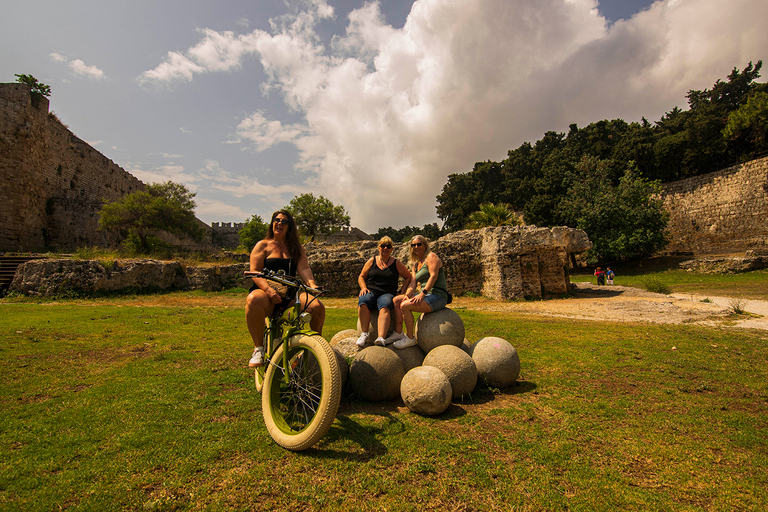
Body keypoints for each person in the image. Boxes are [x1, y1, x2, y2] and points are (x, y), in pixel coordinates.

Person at [245, 210, 325, 367]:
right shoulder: (263, 245)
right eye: (276, 219)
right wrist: (268, 290)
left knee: (317, 307)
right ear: (272, 223)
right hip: (266, 294)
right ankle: (258, 349)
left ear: (290, 226)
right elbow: (255, 272)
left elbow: (304, 269)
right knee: (253, 300)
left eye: (284, 221)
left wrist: (312, 285)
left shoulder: (296, 248)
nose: (279, 223)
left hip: (290, 294)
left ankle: (315, 350)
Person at [388, 235, 450, 349]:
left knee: (405, 306)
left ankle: (410, 338)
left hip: (437, 295)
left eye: (419, 244)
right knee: (397, 300)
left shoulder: (431, 257)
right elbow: (412, 283)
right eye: (413, 245)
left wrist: (423, 293)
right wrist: (407, 295)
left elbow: (433, 276)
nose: (416, 247)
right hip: (425, 295)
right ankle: (398, 333)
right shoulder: (416, 265)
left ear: (424, 245)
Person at [355, 236, 413, 347]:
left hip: (387, 292)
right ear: (379, 248)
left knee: (385, 305)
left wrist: (402, 291)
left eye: (388, 246)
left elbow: (408, 277)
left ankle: (381, 337)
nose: (385, 248)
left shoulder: (396, 263)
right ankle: (364, 334)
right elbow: (361, 276)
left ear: (391, 249)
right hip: (371, 291)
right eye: (383, 245)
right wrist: (363, 288)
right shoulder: (372, 261)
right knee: (363, 301)